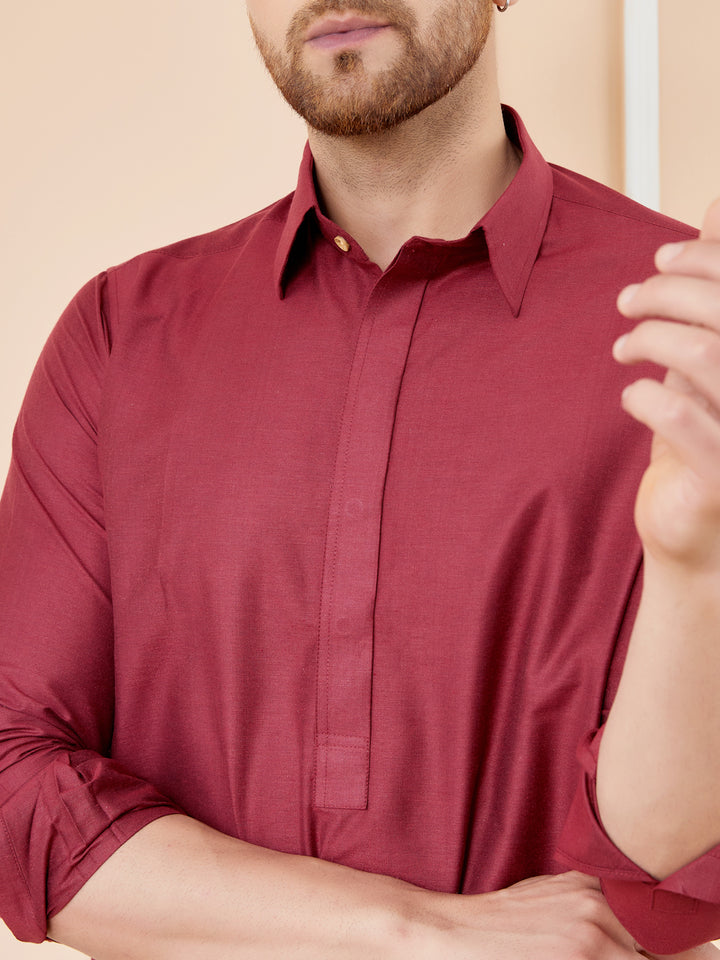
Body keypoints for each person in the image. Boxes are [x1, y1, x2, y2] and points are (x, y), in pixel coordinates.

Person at [1, 0, 720, 956]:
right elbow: (16, 794)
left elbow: (659, 898)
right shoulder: (119, 337)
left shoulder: (690, 343)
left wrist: (696, 570)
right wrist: (418, 933)